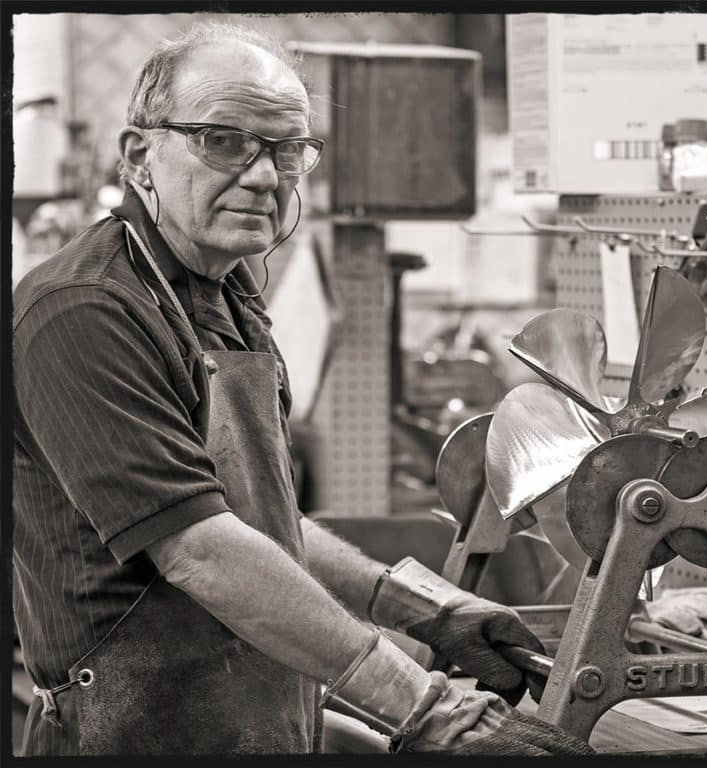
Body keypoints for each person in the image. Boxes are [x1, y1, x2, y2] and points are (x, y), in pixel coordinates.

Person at [12, 22, 593, 757]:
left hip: (241, 725)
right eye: (223, 139)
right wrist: (427, 708)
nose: (263, 175)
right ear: (139, 156)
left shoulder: (228, 293)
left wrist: (423, 609)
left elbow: (256, 519)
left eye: (287, 149)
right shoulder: (85, 310)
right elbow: (200, 547)